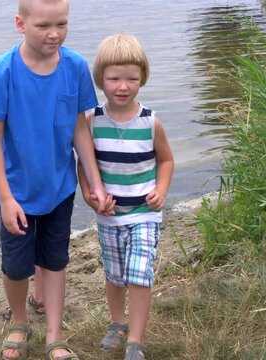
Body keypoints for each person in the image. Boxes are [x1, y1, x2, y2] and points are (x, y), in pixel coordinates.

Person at [0, 0, 112, 359]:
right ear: (20, 24)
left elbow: (79, 128)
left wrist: (94, 181)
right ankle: (19, 323)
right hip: (18, 190)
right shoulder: (3, 71)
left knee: (55, 260)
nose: (54, 34)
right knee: (16, 265)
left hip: (60, 187)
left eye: (62, 24)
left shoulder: (75, 66)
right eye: (43, 26)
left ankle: (54, 334)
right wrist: (6, 198)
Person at [77, 34, 174, 360]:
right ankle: (117, 323)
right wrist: (91, 195)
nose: (122, 86)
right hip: (109, 215)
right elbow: (84, 163)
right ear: (100, 79)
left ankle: (135, 339)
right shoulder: (92, 121)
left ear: (142, 78)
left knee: (139, 272)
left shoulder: (150, 121)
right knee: (114, 274)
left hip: (144, 212)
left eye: (131, 78)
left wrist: (160, 189)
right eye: (114, 78)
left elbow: (166, 160)